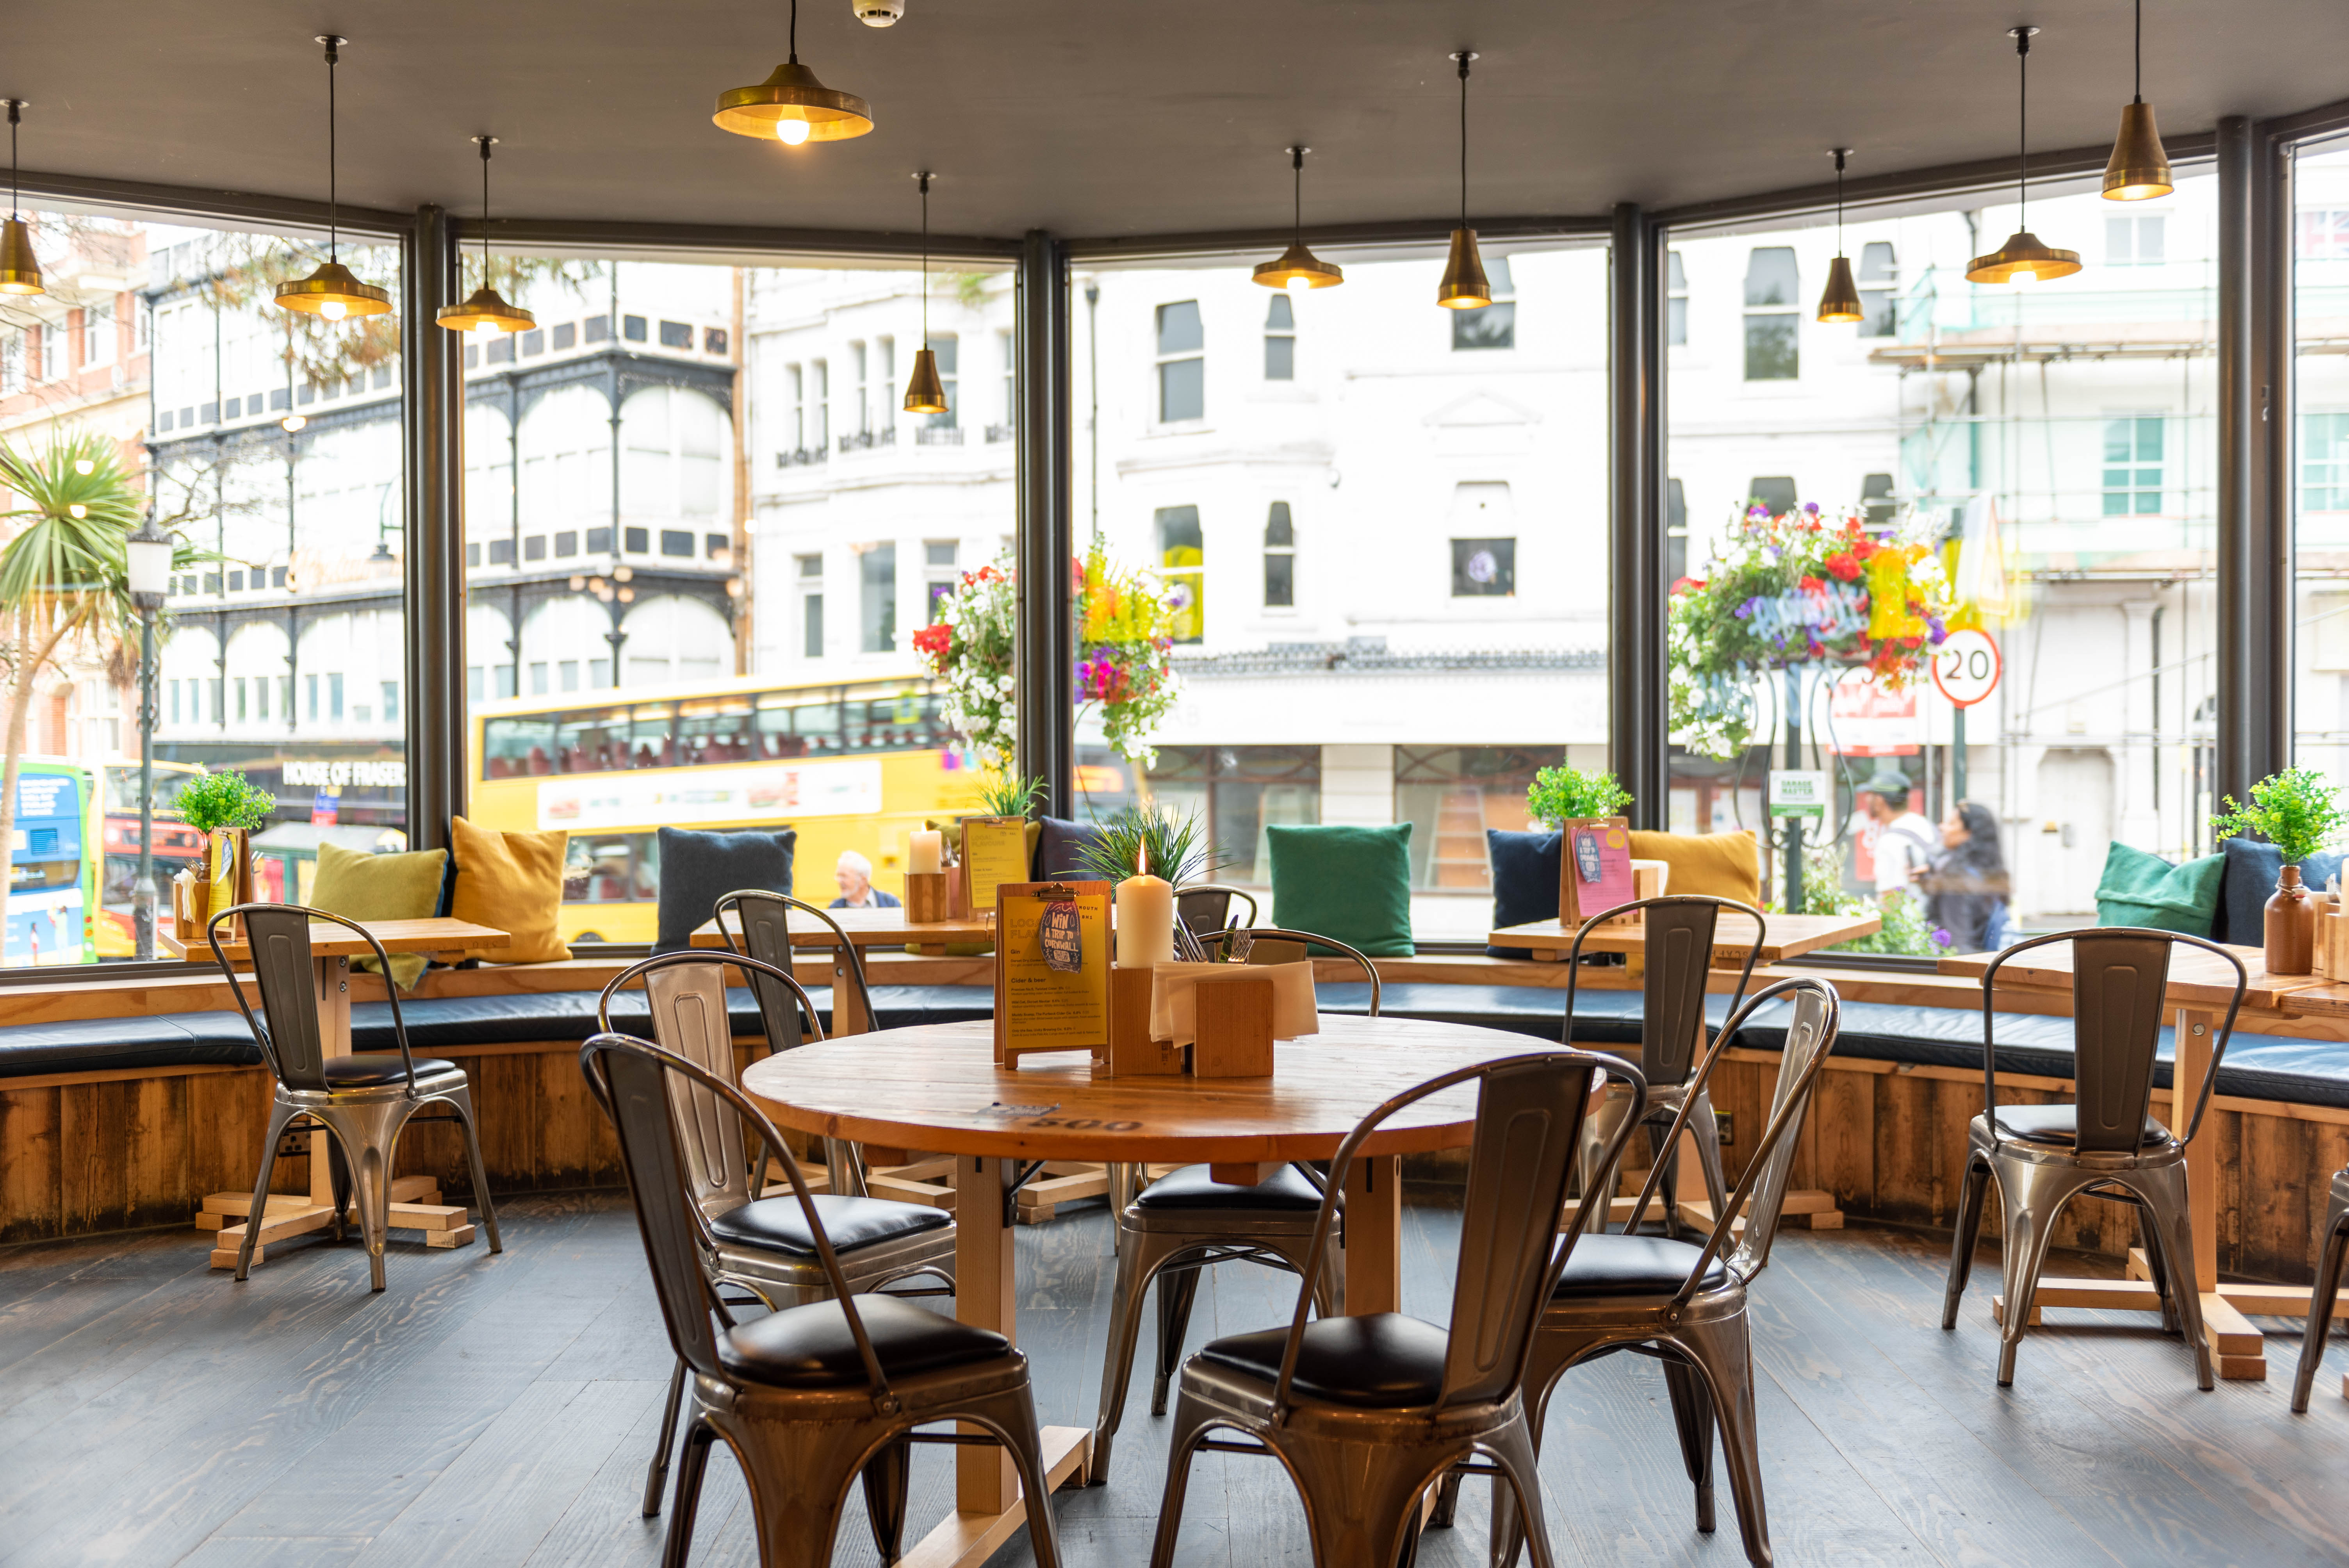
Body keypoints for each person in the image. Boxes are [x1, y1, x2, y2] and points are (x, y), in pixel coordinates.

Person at [1918, 800, 2013, 952]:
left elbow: (1956, 945)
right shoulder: (1989, 872)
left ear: (1969, 833)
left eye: (1951, 823)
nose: (1942, 827)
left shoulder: (1956, 878)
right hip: (1987, 962)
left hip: (1965, 968)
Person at [1856, 766, 1937, 906]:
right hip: (1934, 921)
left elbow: (1889, 898)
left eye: (1871, 795)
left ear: (1880, 801)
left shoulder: (1890, 841)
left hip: (1911, 924)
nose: (1867, 800)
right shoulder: (1925, 825)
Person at [830, 848, 901, 909]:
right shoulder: (834, 908)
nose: (839, 881)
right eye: (838, 876)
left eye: (844, 876)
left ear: (863, 880)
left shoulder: (891, 903)